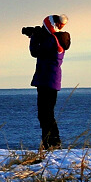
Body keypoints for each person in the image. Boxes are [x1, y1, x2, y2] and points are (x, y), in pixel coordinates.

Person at [23, 14, 70, 149]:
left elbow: (35, 52)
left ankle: (53, 142)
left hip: (47, 80)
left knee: (45, 114)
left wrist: (33, 37)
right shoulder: (59, 39)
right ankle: (49, 143)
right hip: (51, 80)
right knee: (46, 113)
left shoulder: (52, 40)